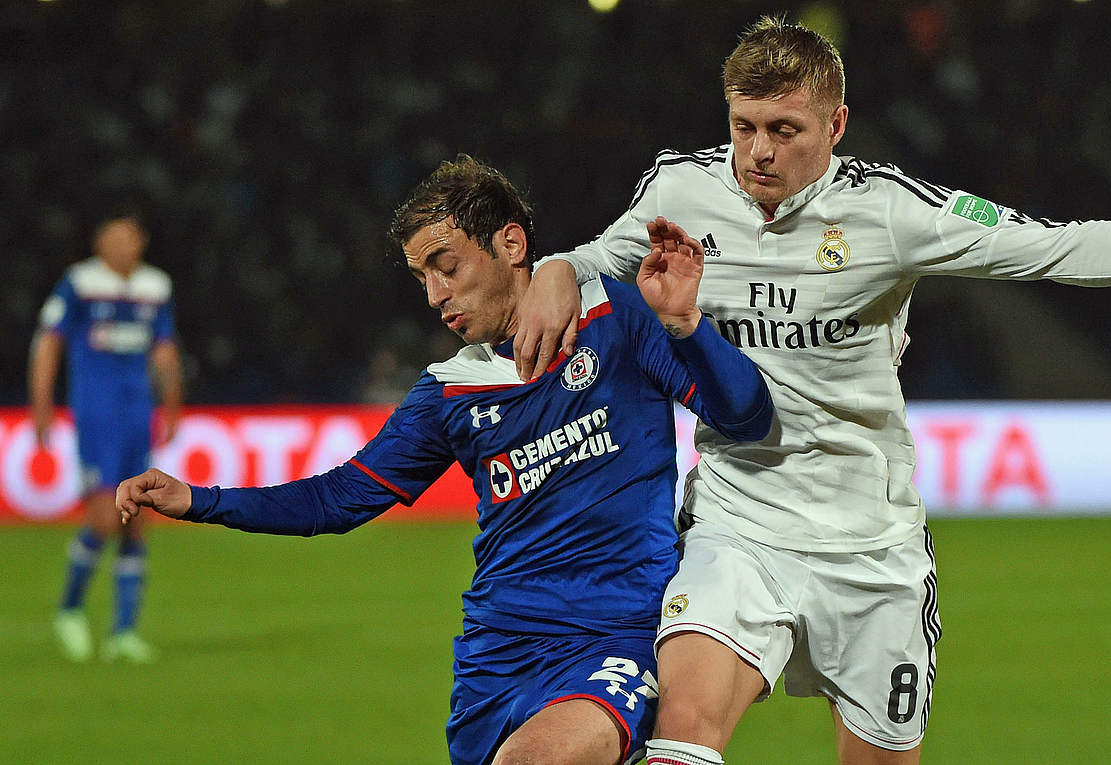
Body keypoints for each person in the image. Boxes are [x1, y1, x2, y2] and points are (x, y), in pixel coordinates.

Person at [512, 17, 1111, 765]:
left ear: (835, 126)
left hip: (871, 550)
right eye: (743, 126)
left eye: (783, 129)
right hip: (738, 525)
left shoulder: (890, 212)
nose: (758, 151)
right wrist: (556, 268)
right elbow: (595, 258)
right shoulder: (680, 190)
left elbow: (1056, 246)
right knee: (683, 730)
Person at [115, 156, 773, 765]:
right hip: (496, 660)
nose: (434, 295)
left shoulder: (617, 318)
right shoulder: (451, 390)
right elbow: (338, 499)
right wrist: (197, 499)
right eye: (421, 277)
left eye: (446, 266)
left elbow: (746, 418)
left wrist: (686, 325)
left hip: (613, 638)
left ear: (510, 245)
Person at [31, 205, 182, 664]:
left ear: (141, 243)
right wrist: (42, 405)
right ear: (99, 243)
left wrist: (172, 404)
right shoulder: (79, 283)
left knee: (138, 518)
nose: (122, 246)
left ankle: (123, 632)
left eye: (129, 238)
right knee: (103, 518)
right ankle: (70, 609)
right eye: (114, 238)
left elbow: (164, 349)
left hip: (138, 414)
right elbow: (49, 342)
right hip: (97, 416)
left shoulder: (155, 287)